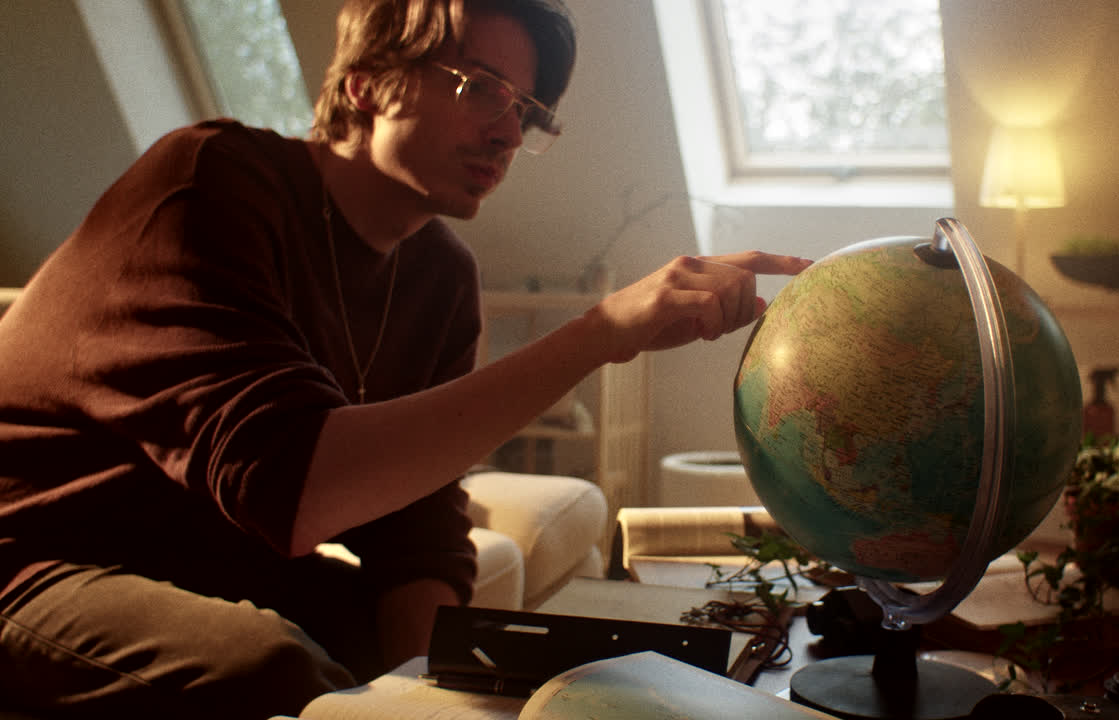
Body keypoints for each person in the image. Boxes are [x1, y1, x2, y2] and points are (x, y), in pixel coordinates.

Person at [0, 0, 810, 717]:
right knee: (269, 670)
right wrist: (605, 331)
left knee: (521, 668)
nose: (506, 129)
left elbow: (416, 534)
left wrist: (436, 689)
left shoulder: (442, 276)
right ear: (366, 83)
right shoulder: (210, 183)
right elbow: (291, 489)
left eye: (524, 109)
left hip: (211, 556)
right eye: (482, 87)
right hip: (34, 555)